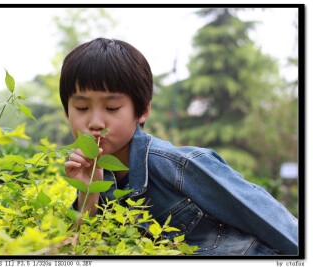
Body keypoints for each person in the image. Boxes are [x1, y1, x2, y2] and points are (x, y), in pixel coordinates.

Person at [59, 37, 298, 255]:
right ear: (67, 112)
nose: (95, 122)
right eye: (82, 108)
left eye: (111, 108)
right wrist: (88, 192)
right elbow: (82, 251)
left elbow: (273, 222)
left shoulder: (180, 166)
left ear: (142, 111)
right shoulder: (96, 176)